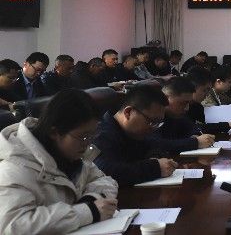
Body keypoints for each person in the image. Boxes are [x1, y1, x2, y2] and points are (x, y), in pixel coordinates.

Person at [0, 89, 118, 234]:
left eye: (92, 136)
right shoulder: (13, 169)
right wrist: (87, 212)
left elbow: (104, 180)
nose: (88, 144)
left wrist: (90, 199)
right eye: (83, 136)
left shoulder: (72, 153)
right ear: (54, 132)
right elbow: (13, 226)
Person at [93, 84, 178, 187]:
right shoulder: (101, 134)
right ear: (128, 112)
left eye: (158, 123)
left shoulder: (135, 131)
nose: (154, 128)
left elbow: (154, 147)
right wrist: (155, 167)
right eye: (152, 122)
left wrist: (155, 157)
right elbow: (104, 172)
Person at [148, 77, 215, 153]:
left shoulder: (176, 115)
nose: (187, 108)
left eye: (189, 103)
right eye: (183, 103)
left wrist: (194, 135)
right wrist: (195, 142)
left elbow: (193, 128)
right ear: (165, 98)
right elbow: (155, 144)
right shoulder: (151, 116)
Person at [185, 67, 231, 134]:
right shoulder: (183, 107)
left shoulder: (195, 105)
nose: (207, 94)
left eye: (208, 90)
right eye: (204, 90)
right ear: (192, 88)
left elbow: (210, 119)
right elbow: (193, 127)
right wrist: (228, 125)